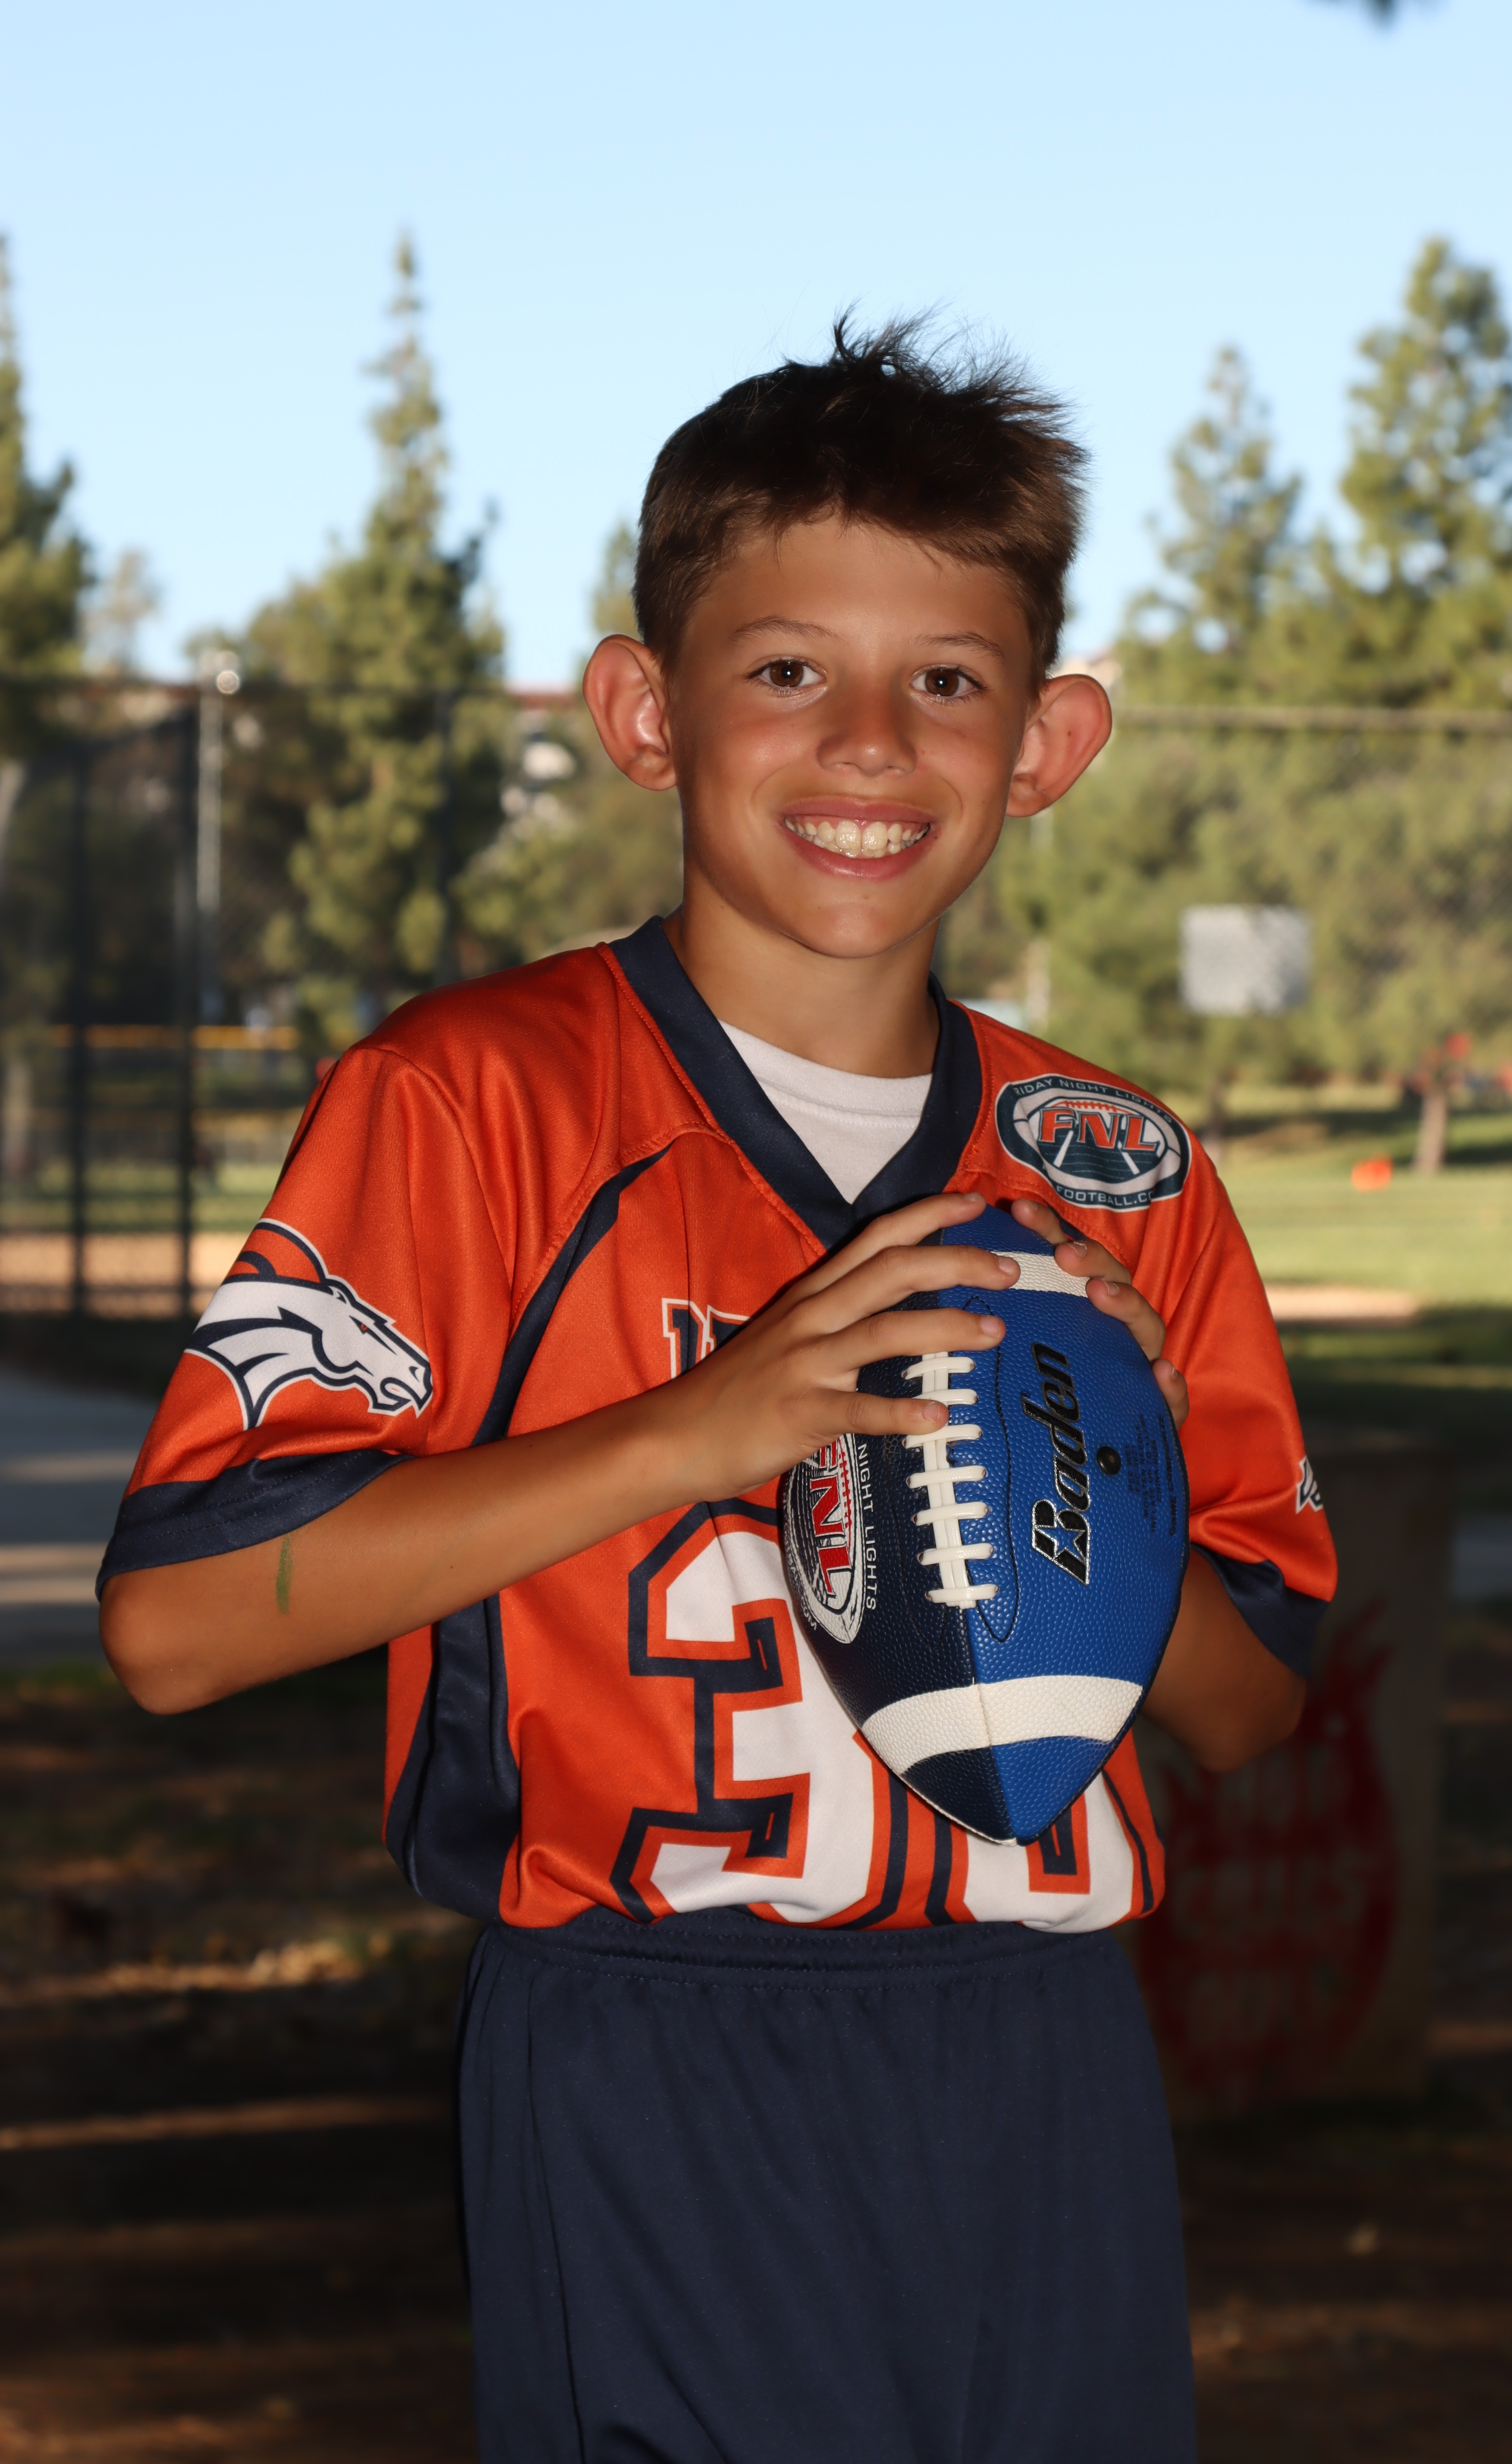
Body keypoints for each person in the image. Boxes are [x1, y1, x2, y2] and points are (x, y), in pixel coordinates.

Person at [100, 321, 1335, 2463]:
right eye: (785, 669)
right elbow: (176, 1627)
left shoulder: (1114, 1168)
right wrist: (701, 1430)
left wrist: (1108, 1490)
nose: (868, 741)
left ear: (1046, 741)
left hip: (1045, 2054)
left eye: (944, 680)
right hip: (655, 2054)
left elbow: (1249, 1714)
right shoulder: (471, 1100)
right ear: (643, 712)